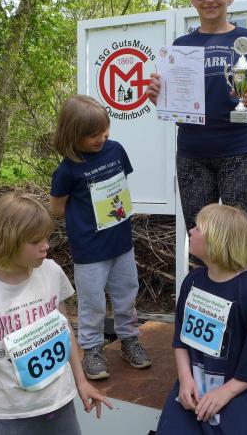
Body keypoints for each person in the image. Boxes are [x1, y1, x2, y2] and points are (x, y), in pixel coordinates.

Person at [147, 0, 247, 282]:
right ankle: (206, 312)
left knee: (244, 244)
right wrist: (158, 96)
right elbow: (171, 102)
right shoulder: (181, 46)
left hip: (241, 152)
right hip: (193, 155)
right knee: (200, 244)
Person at [0, 192, 112, 435]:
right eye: (36, 241)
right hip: (9, 418)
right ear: (8, 241)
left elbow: (65, 329)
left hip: (61, 407)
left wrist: (81, 381)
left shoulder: (52, 272)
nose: (46, 245)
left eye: (46, 237)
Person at [156, 204, 247, 435]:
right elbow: (181, 340)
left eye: (198, 228)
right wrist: (185, 380)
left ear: (217, 240)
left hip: (238, 388)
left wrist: (226, 392)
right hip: (194, 385)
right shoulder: (192, 281)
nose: (191, 231)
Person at [49, 95, 151, 380]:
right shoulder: (67, 170)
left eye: (105, 131)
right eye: (93, 135)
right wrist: (85, 217)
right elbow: (57, 208)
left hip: (121, 242)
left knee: (127, 294)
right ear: (72, 135)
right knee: (92, 302)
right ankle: (92, 349)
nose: (101, 139)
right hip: (89, 249)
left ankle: (129, 339)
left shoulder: (115, 150)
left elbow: (120, 185)